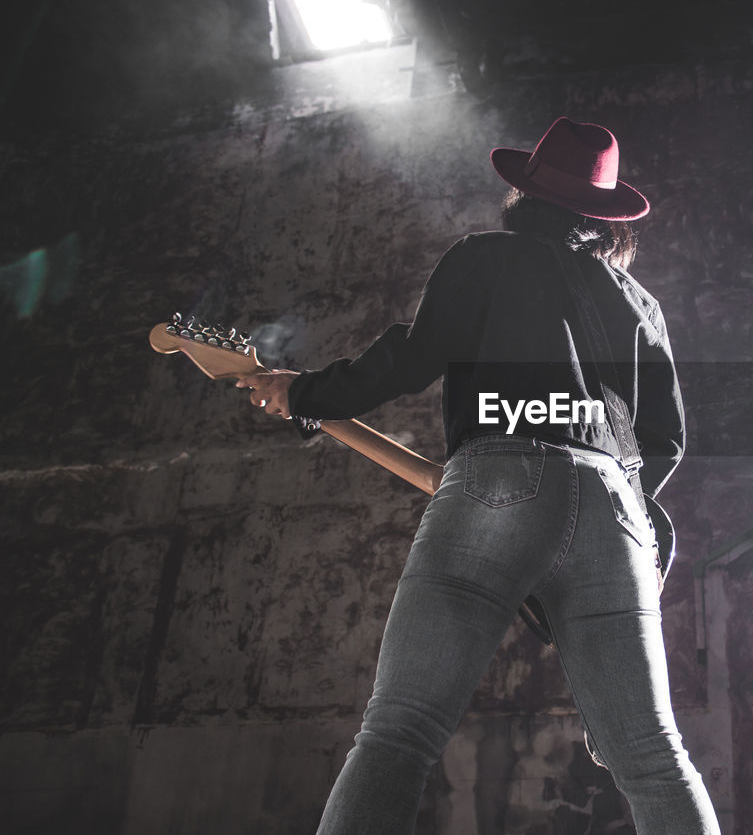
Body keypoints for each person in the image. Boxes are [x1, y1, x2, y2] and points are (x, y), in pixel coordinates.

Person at [235, 117, 721, 835]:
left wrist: (304, 394)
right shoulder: (639, 303)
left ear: (525, 194)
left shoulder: (484, 258)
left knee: (399, 733)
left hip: (498, 477)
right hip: (618, 510)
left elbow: (410, 357)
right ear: (605, 219)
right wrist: (597, 496)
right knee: (652, 755)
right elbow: (666, 441)